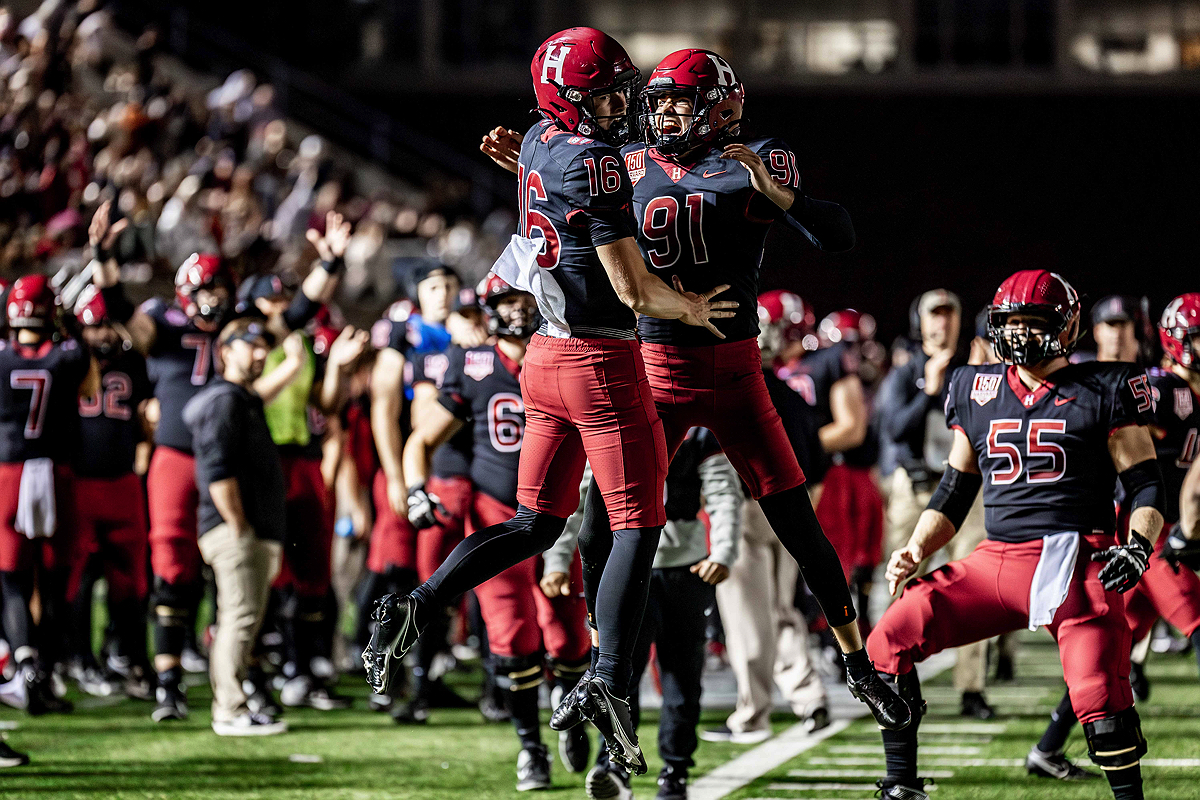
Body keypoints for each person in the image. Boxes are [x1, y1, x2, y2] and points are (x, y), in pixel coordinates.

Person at [480, 46, 910, 753]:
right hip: (654, 367)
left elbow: (839, 233)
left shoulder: (753, 159)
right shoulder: (625, 160)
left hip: (737, 371)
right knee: (600, 524)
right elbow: (575, 203)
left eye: (682, 101)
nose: (666, 113)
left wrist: (784, 200)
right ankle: (604, 674)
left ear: (721, 105)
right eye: (661, 101)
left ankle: (857, 665)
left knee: (799, 525)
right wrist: (528, 173)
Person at [364, 27, 734, 776]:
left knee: (535, 523)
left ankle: (418, 604)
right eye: (603, 93)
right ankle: (605, 681)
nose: (619, 104)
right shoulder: (585, 159)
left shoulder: (539, 139)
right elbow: (631, 288)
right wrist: (690, 308)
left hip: (542, 357)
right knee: (639, 524)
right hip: (600, 356)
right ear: (568, 99)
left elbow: (557, 163)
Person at [869, 270, 1165, 800]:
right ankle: (900, 784)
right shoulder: (974, 387)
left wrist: (1138, 547)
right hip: (997, 561)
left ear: (1067, 325)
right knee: (890, 637)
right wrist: (916, 547)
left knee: (1099, 694)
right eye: (1013, 322)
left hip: (1078, 557)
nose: (1022, 333)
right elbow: (954, 493)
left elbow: (1145, 488)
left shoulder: (1107, 386)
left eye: (1035, 322)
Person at [88, 203, 344, 721]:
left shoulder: (240, 331)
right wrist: (103, 257)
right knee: (172, 567)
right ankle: (168, 681)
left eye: (219, 292)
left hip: (234, 458)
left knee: (241, 571)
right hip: (178, 457)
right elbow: (118, 308)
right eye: (203, 292)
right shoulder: (162, 324)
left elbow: (296, 315)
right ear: (184, 295)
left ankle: (242, 675)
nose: (212, 301)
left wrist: (331, 266)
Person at [404, 275, 590, 790]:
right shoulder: (473, 365)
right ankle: (531, 748)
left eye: (526, 300)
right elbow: (421, 440)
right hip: (493, 514)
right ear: (488, 310)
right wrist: (415, 488)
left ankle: (571, 711)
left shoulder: (564, 354)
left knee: (570, 634)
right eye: (507, 302)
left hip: (559, 515)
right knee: (513, 637)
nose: (517, 311)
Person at [1024, 291, 1200, 781]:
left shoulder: (1187, 390)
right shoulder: (1164, 390)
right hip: (1144, 533)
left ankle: (1045, 748)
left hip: (1159, 531)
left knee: (1111, 652)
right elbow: (1119, 445)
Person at [560, 428, 742, 800]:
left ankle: (674, 771)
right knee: (614, 676)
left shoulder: (695, 429)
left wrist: (722, 550)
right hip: (622, 570)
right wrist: (556, 559)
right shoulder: (609, 419)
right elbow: (583, 501)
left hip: (682, 566)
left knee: (681, 676)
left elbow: (723, 491)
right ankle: (613, 768)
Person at [702, 295, 830, 747]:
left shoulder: (736, 387)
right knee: (782, 608)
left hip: (748, 506)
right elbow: (817, 461)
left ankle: (751, 714)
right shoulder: (793, 395)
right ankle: (809, 696)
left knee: (746, 617)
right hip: (794, 506)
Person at [365, 262, 478, 719]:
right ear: (418, 292)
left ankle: (426, 680)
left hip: (457, 468)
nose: (444, 293)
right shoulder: (403, 339)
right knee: (394, 575)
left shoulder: (469, 333)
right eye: (434, 285)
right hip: (415, 472)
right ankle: (387, 677)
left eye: (451, 284)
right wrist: (397, 476)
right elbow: (383, 407)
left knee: (443, 581)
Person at [876, 289, 994, 719]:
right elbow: (891, 428)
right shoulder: (906, 371)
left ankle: (972, 688)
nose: (942, 322)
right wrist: (929, 386)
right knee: (901, 582)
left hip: (965, 490)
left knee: (977, 587)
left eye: (950, 313)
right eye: (935, 314)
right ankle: (892, 674)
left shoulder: (975, 366)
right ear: (919, 321)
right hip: (917, 488)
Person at [183, 318, 289, 737]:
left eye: (264, 346)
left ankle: (236, 702)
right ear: (226, 351)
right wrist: (239, 525)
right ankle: (228, 710)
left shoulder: (242, 398)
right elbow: (217, 471)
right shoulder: (225, 400)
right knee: (238, 620)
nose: (261, 353)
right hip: (235, 530)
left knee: (244, 621)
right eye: (251, 345)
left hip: (250, 529)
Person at [0, 274, 98, 716]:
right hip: (55, 474)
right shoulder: (67, 355)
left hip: (8, 474)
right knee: (56, 581)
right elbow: (91, 387)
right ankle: (47, 669)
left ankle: (23, 664)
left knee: (12, 579)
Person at [67, 286, 154, 700]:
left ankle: (133, 658)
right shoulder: (67, 362)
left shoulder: (133, 363)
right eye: (94, 325)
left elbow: (144, 421)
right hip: (80, 481)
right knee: (79, 580)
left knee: (131, 580)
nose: (101, 334)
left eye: (107, 325)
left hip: (122, 481)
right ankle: (80, 659)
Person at [1091, 295, 1151, 365]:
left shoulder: (1151, 373)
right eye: (1111, 325)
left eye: (1123, 325)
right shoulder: (1080, 372)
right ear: (1097, 331)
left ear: (1136, 331)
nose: (1117, 333)